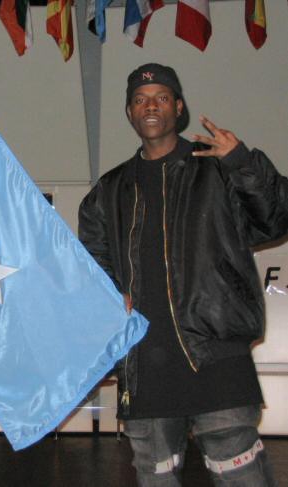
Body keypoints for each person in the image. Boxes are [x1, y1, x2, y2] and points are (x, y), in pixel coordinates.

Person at [78, 63, 288, 486]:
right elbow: (90, 260)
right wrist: (108, 293)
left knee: (242, 476)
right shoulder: (110, 189)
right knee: (155, 478)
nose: (149, 106)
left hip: (217, 354)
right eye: (139, 99)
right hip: (145, 362)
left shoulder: (218, 170)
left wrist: (243, 162)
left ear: (178, 107)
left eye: (160, 97)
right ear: (129, 113)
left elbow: (276, 219)